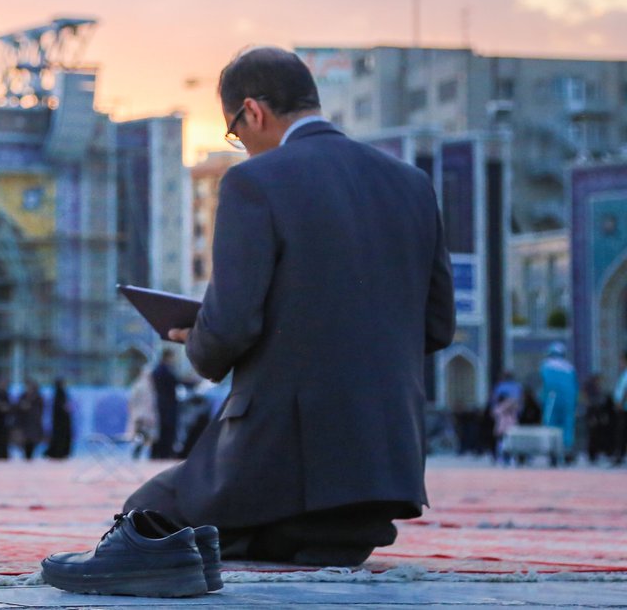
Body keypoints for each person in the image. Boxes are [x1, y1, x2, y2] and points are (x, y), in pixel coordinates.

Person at [119, 46, 456, 569]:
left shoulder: (256, 182)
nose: (243, 145)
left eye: (236, 131)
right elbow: (436, 326)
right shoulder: (411, 184)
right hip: (381, 480)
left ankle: (266, 535)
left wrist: (197, 337)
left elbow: (229, 327)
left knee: (144, 518)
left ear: (252, 111)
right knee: (266, 539)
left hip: (280, 469)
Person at [539, 341, 578, 462]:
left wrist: (541, 401)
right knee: (567, 425)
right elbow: (575, 387)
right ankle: (566, 451)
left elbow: (542, 385)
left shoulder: (546, 365)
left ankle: (553, 453)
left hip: (552, 398)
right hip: (568, 401)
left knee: (551, 425)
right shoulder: (570, 367)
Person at [150, 348, 181, 459]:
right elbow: (176, 381)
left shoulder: (157, 370)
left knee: (162, 430)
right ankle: (164, 454)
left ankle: (160, 453)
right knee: (166, 430)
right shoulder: (165, 371)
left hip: (162, 403)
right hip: (167, 405)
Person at [126, 361, 158, 459]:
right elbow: (132, 401)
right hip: (141, 415)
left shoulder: (149, 386)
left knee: (145, 436)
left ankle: (139, 453)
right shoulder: (140, 386)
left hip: (145, 415)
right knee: (141, 435)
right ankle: (137, 453)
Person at [489, 371, 522, 466]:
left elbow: (494, 405)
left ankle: (503, 458)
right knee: (509, 443)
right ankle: (508, 458)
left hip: (503, 427)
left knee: (503, 443)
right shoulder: (517, 388)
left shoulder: (500, 387)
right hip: (511, 425)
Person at [14, 379, 45, 460]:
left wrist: (30, 407)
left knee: (32, 445)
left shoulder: (38, 398)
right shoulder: (23, 396)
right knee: (24, 446)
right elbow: (17, 410)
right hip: (24, 425)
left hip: (34, 425)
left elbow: (39, 411)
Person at [44, 378, 73, 459]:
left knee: (59, 436)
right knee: (61, 437)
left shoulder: (57, 393)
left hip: (59, 421)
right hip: (62, 421)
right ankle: (59, 453)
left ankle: (58, 452)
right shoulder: (60, 393)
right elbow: (62, 407)